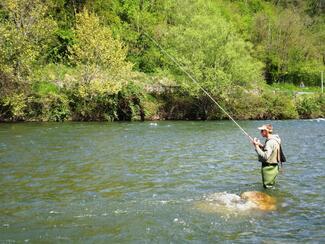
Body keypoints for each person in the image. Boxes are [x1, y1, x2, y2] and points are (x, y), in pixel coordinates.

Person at [252, 124, 282, 189]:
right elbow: (270, 150)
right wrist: (260, 145)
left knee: (267, 188)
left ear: (266, 131)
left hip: (268, 168)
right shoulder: (275, 139)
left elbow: (265, 156)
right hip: (274, 167)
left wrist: (256, 146)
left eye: (262, 131)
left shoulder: (270, 142)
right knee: (271, 186)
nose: (260, 132)